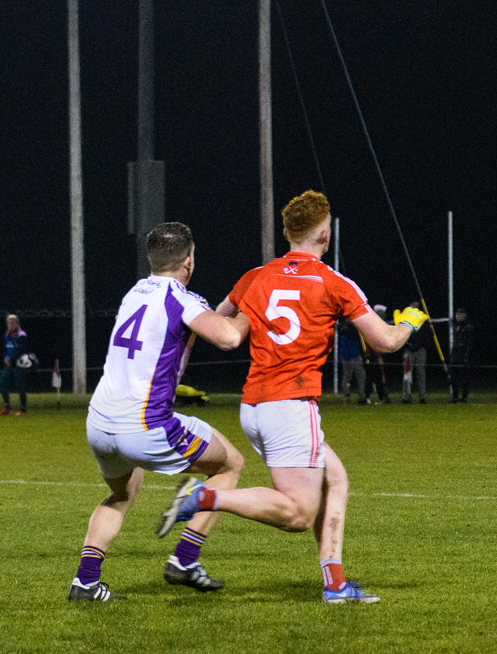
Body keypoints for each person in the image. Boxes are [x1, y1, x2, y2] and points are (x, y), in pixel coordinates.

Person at [158, 191, 428, 605]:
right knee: (300, 513)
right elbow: (386, 342)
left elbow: (212, 320)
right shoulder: (333, 282)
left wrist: (175, 370)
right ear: (324, 233)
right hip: (291, 405)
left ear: (288, 232)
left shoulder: (256, 276)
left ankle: (335, 584)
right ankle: (203, 497)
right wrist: (409, 322)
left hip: (254, 407)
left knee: (335, 479)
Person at [68, 222, 250, 601]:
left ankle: (85, 582)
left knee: (122, 493)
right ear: (188, 261)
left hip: (99, 422)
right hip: (145, 425)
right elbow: (230, 337)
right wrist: (250, 305)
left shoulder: (134, 292)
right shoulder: (181, 298)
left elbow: (196, 323)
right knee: (230, 464)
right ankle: (185, 558)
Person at [0, 314, 30, 415]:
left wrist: (13, 359)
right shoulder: (7, 335)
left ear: (17, 323)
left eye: (13, 322)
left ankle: (23, 409)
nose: (11, 324)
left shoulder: (21, 335)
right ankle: (7, 407)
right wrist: (6, 358)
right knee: (2, 383)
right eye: (9, 322)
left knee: (20, 386)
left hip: (19, 364)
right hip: (9, 364)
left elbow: (22, 350)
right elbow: (7, 348)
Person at [401, 301, 428, 404]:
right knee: (407, 373)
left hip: (420, 349)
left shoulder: (423, 319)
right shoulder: (404, 319)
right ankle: (406, 396)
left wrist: (420, 345)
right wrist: (408, 345)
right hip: (408, 349)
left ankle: (422, 396)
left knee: (421, 373)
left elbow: (426, 335)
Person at [336, 317, 368, 404]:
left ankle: (348, 396)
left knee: (348, 377)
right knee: (360, 376)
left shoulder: (342, 327)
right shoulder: (352, 328)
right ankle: (360, 397)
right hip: (353, 355)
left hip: (346, 356)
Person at [449, 307, 474, 403]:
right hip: (455, 354)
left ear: (464, 316)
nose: (457, 317)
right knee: (453, 377)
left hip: (463, 355)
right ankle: (455, 397)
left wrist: (466, 357)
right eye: (457, 315)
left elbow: (470, 343)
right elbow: (455, 341)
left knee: (464, 377)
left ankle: (464, 397)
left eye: (460, 315)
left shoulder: (469, 327)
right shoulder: (456, 327)